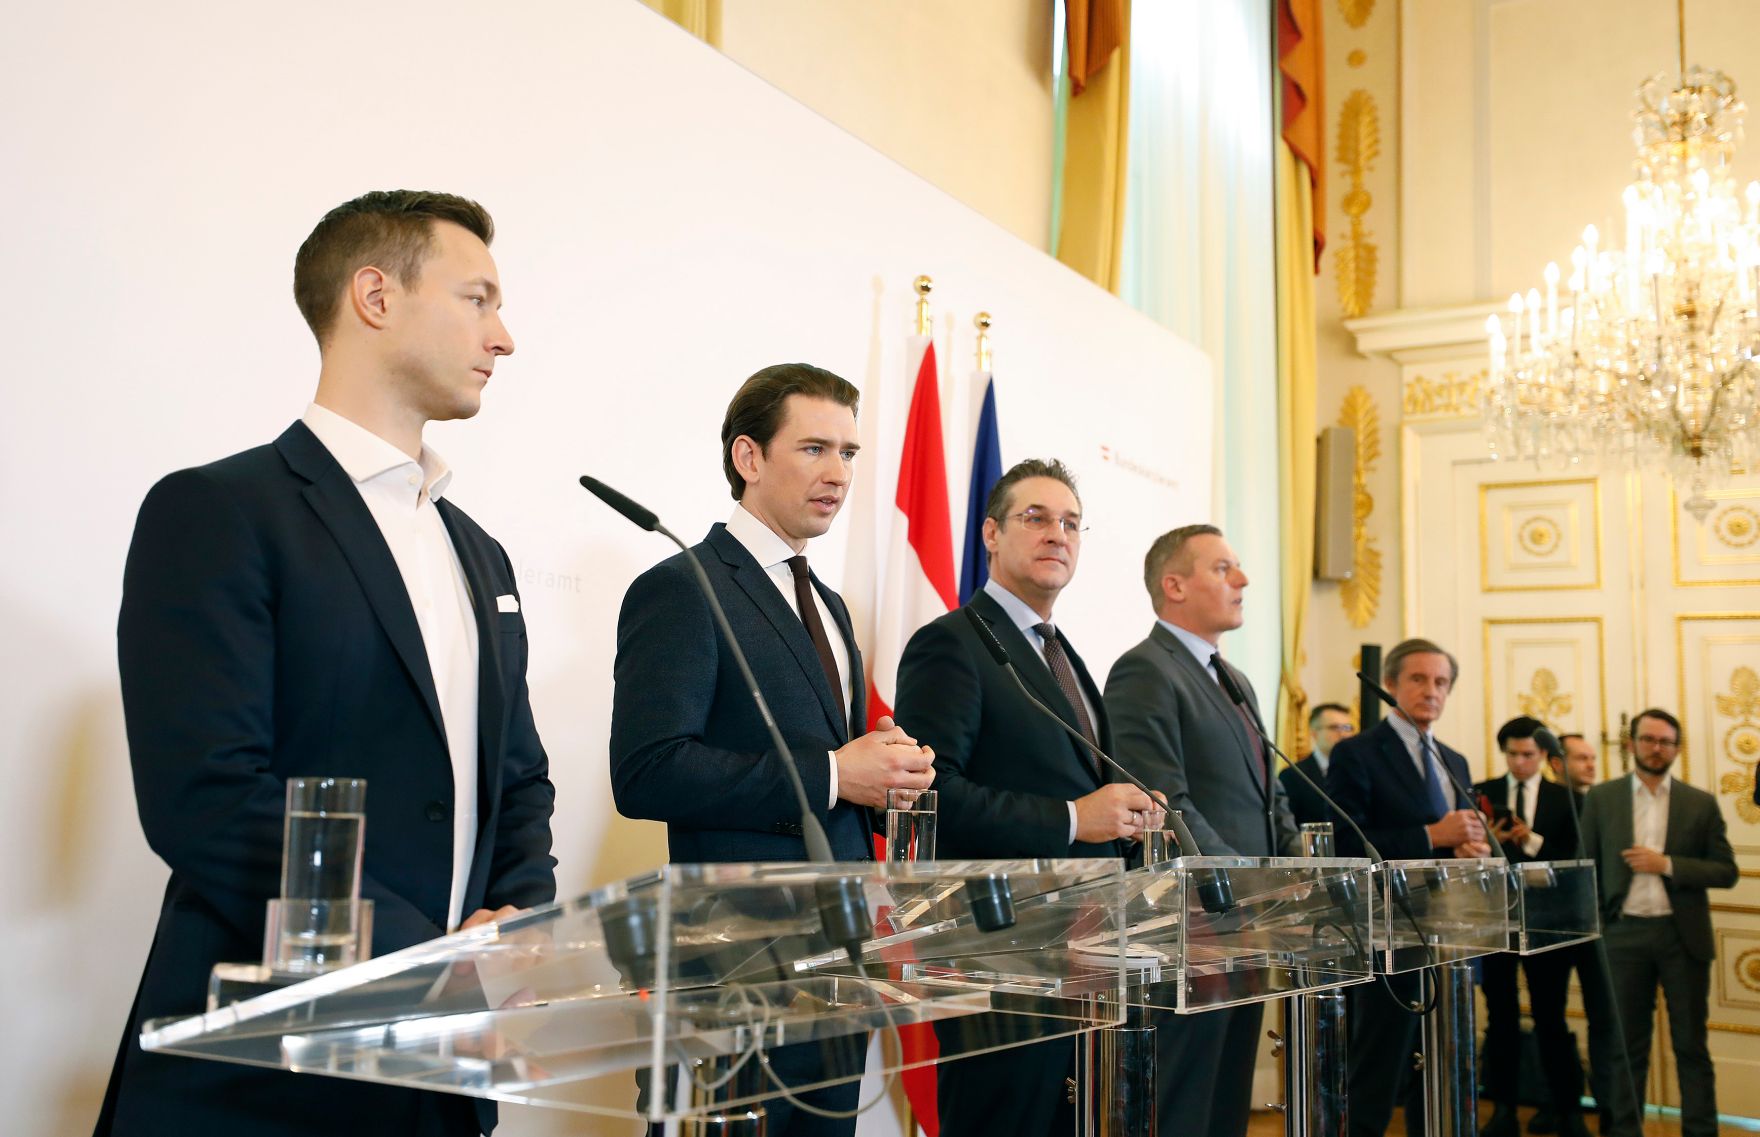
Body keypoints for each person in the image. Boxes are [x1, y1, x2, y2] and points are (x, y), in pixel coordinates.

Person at [97, 190, 558, 1137]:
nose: (503, 336)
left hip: (445, 1072)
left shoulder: (481, 552)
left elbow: (517, 778)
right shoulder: (220, 511)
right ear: (375, 296)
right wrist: (421, 957)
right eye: (478, 298)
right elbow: (207, 795)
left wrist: (514, 929)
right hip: (266, 1079)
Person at [608, 362, 933, 1134]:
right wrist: (832, 774)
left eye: (850, 453)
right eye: (815, 448)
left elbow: (828, 763)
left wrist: (880, 771)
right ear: (748, 458)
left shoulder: (828, 603)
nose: (839, 473)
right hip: (737, 959)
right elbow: (647, 770)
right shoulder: (685, 584)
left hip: (839, 950)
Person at [894, 457, 1156, 1137]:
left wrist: (1125, 815)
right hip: (999, 951)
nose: (1057, 534)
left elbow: (1068, 780)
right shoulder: (950, 645)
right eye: (1035, 517)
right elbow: (930, 796)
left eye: (1070, 522)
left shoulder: (1063, 651)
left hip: (1083, 947)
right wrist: (1075, 818)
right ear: (989, 533)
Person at [1104, 524, 1301, 1137]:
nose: (1242, 581)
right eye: (1223, 569)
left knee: (1227, 1101)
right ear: (1174, 585)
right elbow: (1169, 802)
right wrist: (1251, 884)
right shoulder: (1144, 671)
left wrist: (1298, 865)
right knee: (1183, 1106)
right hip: (1194, 927)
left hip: (1246, 924)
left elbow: (1271, 797)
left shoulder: (1234, 680)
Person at [1327, 637, 1489, 1137]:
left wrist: (1469, 849)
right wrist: (1431, 836)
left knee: (1441, 1067)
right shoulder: (1356, 753)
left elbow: (1455, 838)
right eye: (1418, 679)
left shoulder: (1454, 760)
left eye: (1441, 682)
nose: (1431, 691)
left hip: (1449, 936)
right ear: (1392, 684)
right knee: (1378, 1070)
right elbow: (1344, 844)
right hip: (1388, 934)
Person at [1580, 709, 1737, 1137]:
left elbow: (1726, 871)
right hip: (1622, 934)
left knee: (1691, 1046)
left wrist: (1666, 864)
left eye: (1665, 741)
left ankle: (1701, 1131)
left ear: (1677, 749)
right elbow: (1585, 866)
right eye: (1648, 739)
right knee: (1625, 1048)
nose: (1656, 748)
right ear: (1631, 744)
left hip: (1681, 937)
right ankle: (1624, 1131)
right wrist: (1598, 928)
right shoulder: (1602, 798)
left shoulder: (1700, 802)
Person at [1475, 717, 1588, 1137]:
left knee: (1551, 1018)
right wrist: (1495, 839)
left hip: (1548, 924)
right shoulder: (1483, 792)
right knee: (1500, 1018)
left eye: (1528, 754)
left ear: (1543, 755)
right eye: (1512, 754)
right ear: (1503, 753)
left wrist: (1531, 840)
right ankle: (1502, 1108)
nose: (1520, 762)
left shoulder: (1568, 798)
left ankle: (1565, 1109)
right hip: (1497, 920)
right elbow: (1471, 851)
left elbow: (1573, 856)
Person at [1282, 702, 1354, 826]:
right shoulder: (1293, 776)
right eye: (1334, 727)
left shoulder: (1359, 771)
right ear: (1314, 733)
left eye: (1347, 728)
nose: (1343, 734)